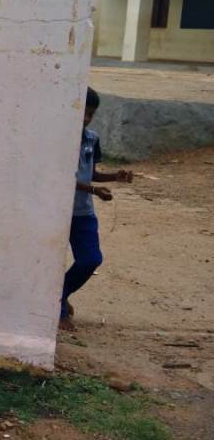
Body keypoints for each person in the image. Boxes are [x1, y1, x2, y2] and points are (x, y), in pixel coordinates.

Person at [61, 87, 133, 330]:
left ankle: (60, 295)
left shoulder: (92, 139)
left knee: (90, 260)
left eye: (91, 114)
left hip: (82, 212)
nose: (86, 118)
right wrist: (93, 190)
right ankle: (58, 310)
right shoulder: (60, 140)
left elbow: (90, 174)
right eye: (83, 112)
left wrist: (114, 177)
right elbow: (62, 178)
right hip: (59, 211)